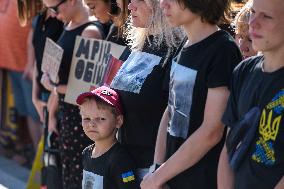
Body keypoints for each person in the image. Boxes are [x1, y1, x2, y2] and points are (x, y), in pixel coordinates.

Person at [140, 0, 242, 188]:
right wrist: (157, 167)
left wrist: (158, 177)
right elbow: (170, 110)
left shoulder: (223, 50)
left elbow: (212, 131)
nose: (162, 4)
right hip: (170, 177)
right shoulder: (184, 45)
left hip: (201, 180)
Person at [109, 0, 183, 182]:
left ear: (160, 5)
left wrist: (158, 171)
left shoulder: (176, 52)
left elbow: (175, 117)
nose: (130, 6)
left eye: (139, 0)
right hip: (125, 164)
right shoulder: (138, 46)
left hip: (153, 169)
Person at [218, 0, 284, 188]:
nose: (253, 22)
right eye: (254, 11)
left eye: (267, 16)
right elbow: (228, 148)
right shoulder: (243, 71)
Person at [40, 0, 105, 188]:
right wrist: (51, 115)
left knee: (79, 180)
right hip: (66, 117)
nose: (52, 14)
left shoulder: (90, 32)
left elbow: (89, 91)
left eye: (54, 8)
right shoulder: (68, 24)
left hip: (82, 121)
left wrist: (54, 87)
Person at [77, 86, 140, 189]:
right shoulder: (86, 153)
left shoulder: (120, 160)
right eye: (87, 118)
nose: (92, 124)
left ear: (118, 121)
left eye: (101, 118)